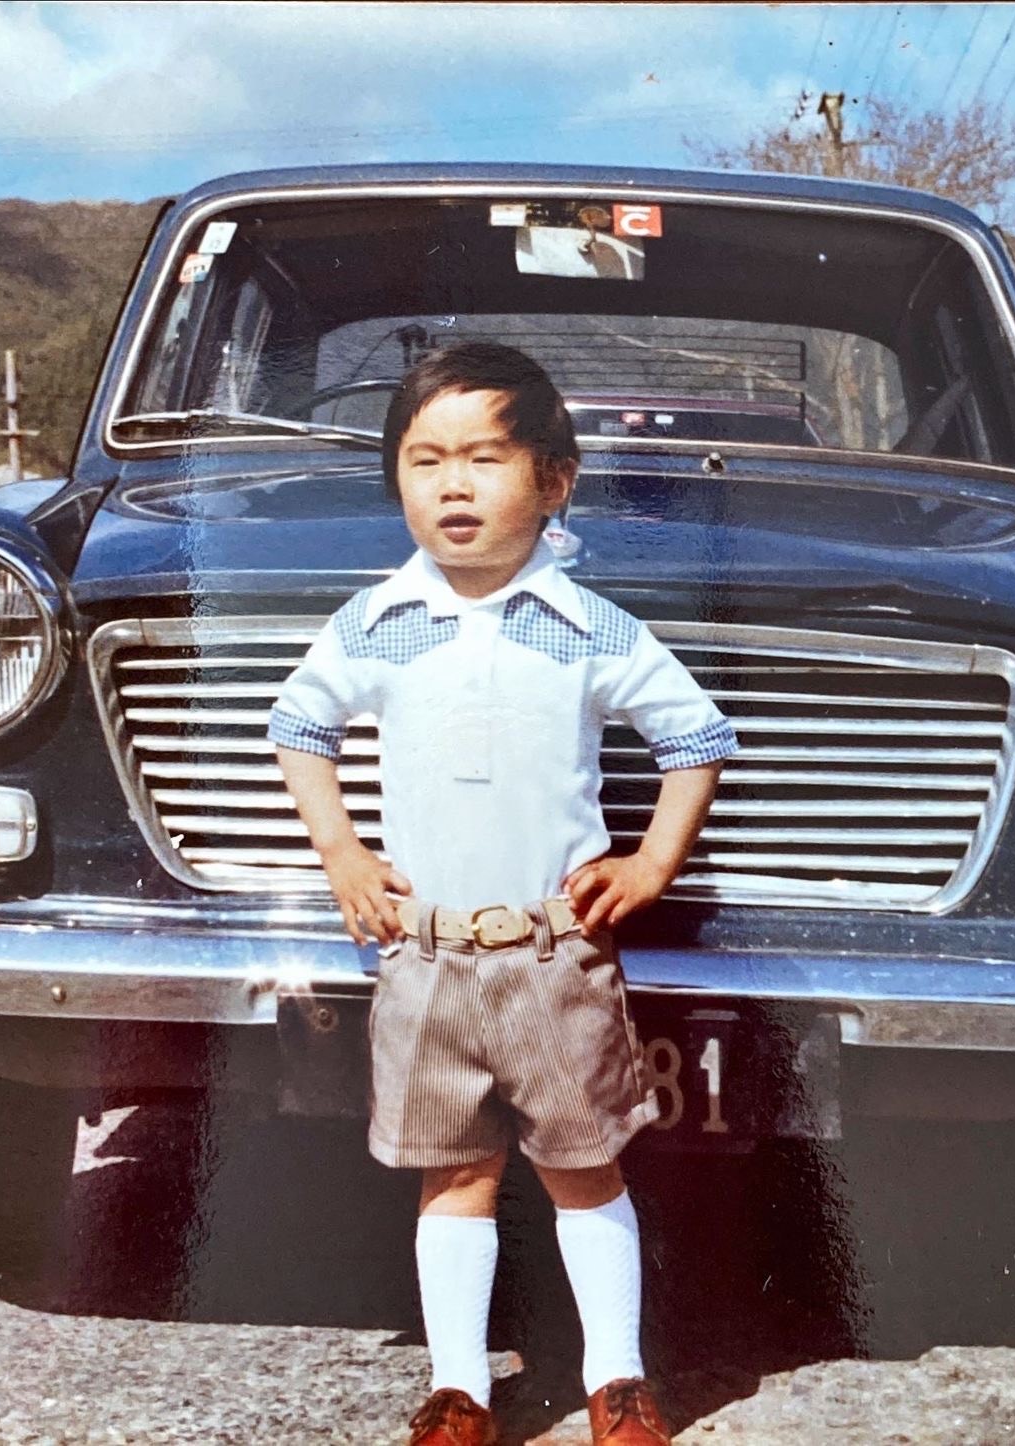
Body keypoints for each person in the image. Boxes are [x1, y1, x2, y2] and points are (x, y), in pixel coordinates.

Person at [268, 341, 738, 1446]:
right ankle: (458, 1389)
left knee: (583, 1170)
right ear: (396, 482)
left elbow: (695, 734)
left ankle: (616, 1382)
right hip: (424, 955)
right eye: (425, 460)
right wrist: (338, 852)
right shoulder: (375, 623)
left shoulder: (585, 629)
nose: (454, 484)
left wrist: (650, 862)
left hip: (550, 954)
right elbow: (298, 727)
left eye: (485, 457)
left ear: (555, 481)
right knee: (453, 1177)